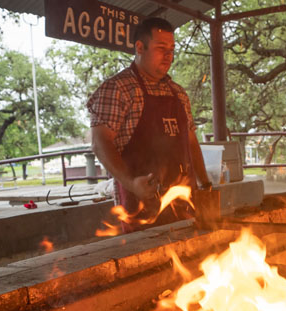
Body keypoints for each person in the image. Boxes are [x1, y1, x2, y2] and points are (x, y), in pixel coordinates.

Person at [87, 17, 211, 231]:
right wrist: (132, 183)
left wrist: (205, 185)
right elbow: (100, 143)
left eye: (172, 49)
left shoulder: (178, 93)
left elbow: (191, 142)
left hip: (184, 204)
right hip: (141, 209)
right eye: (161, 48)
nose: (168, 56)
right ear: (140, 47)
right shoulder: (118, 89)